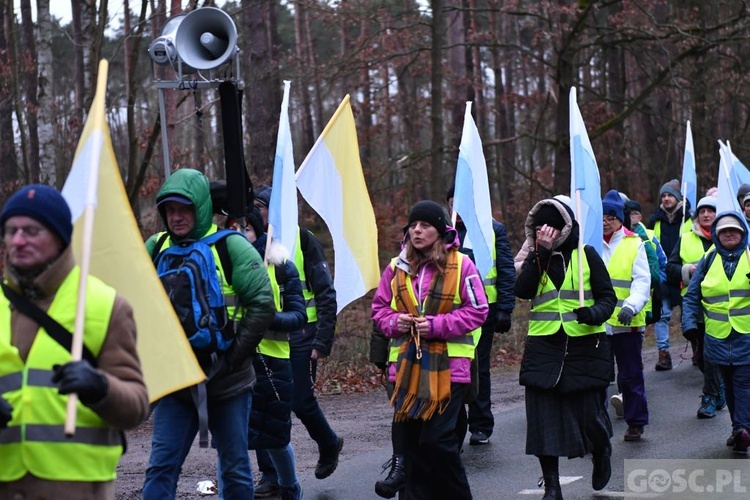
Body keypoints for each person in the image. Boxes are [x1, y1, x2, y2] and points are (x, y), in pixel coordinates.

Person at [0, 185, 149, 499]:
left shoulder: (105, 306)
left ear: (60, 237)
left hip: (77, 488)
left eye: (31, 230)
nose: (17, 240)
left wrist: (101, 387)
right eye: (10, 231)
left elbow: (137, 405)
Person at [142, 169, 275, 500]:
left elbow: (262, 304)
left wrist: (232, 358)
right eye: (169, 210)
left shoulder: (232, 247)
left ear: (200, 207)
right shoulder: (155, 247)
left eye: (184, 209)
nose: (176, 217)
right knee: (161, 466)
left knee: (233, 468)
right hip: (176, 381)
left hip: (227, 381)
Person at [372, 200, 488, 499]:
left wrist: (436, 325)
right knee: (412, 445)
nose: (417, 231)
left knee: (438, 441)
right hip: (406, 369)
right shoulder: (396, 267)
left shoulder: (462, 265)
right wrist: (395, 322)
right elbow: (379, 310)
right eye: (413, 226)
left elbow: (478, 310)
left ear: (440, 231)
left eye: (424, 225)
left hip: (450, 368)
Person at [515, 198, 616, 499]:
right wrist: (540, 254)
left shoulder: (587, 255)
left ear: (565, 228)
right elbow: (522, 291)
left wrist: (594, 313)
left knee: (590, 419)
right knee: (542, 419)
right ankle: (552, 486)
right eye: (539, 229)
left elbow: (607, 298)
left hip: (585, 347)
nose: (545, 233)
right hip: (544, 348)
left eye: (551, 229)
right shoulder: (535, 255)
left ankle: (601, 450)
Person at [253, 186, 343, 498]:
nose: (256, 212)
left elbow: (326, 293)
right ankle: (270, 475)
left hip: (304, 335)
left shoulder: (303, 240)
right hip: (267, 338)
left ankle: (329, 442)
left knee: (300, 400)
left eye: (260, 206)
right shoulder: (252, 244)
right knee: (266, 404)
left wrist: (323, 340)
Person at [225, 208, 307, 500]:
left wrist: (265, 317)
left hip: (273, 364)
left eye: (245, 229)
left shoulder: (281, 265)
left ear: (259, 232)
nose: (240, 235)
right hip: (233, 364)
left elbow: (299, 317)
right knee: (231, 441)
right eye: (233, 228)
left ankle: (290, 487)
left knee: (275, 438)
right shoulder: (221, 265)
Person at [446, 185, 515, 445]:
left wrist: (506, 308)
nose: (457, 210)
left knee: (478, 368)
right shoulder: (442, 233)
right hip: (448, 315)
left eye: (461, 204)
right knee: (452, 370)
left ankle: (481, 424)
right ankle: (453, 423)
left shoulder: (491, 230)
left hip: (484, 312)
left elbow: (506, 270)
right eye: (452, 204)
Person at [682, 212, 750, 452]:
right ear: (717, 236)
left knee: (743, 381)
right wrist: (689, 324)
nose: (729, 234)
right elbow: (692, 296)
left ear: (743, 233)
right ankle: (738, 429)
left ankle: (743, 429)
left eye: (735, 230)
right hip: (716, 336)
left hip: (746, 336)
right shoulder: (708, 259)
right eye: (724, 231)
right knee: (729, 383)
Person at [665, 196, 726, 418]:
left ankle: (709, 396)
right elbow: (669, 269)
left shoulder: (728, 237)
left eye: (711, 210)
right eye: (702, 211)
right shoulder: (685, 238)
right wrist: (688, 270)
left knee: (711, 354)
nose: (706, 215)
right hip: (692, 305)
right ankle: (718, 387)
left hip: (720, 308)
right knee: (700, 355)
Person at [600, 190, 651, 442]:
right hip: (598, 323)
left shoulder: (634, 243)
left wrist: (632, 305)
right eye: (602, 216)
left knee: (630, 375)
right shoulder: (590, 243)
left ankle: (636, 422)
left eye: (611, 217)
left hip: (626, 321)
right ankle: (596, 425)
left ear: (620, 219)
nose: (606, 221)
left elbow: (642, 280)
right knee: (597, 376)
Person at [648, 179, 692, 371]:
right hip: (663, 276)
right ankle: (663, 354)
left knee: (689, 316)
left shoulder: (689, 218)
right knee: (662, 316)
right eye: (663, 196)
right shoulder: (654, 220)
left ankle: (696, 351)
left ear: (678, 198)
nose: (666, 199)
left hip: (685, 274)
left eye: (669, 195)